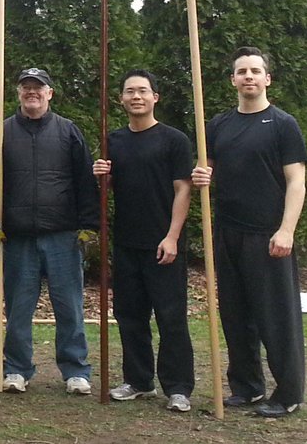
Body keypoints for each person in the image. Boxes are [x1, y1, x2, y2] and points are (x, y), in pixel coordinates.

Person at [191, 47, 307, 418]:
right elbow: (206, 170)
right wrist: (201, 176)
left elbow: (296, 182)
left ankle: (288, 394)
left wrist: (286, 230)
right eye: (242, 71)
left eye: (255, 71)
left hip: (268, 235)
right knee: (236, 316)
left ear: (267, 78)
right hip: (228, 232)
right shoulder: (218, 125)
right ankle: (247, 388)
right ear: (233, 80)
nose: (248, 77)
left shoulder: (283, 124)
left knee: (276, 318)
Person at [0, 67, 99, 396]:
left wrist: (89, 225)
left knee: (69, 306)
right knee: (18, 308)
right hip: (18, 237)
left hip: (62, 236)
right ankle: (16, 369)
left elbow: (84, 181)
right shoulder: (2, 133)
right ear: (18, 93)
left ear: (50, 93)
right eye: (26, 87)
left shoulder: (68, 131)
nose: (32, 92)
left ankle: (75, 370)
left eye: (38, 87)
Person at [92, 70, 195, 412]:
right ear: (121, 99)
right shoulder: (114, 141)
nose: (136, 97)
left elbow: (183, 189)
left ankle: (178, 387)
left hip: (164, 243)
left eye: (143, 91)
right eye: (129, 92)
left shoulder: (174, 140)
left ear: (155, 97)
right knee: (129, 315)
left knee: (171, 316)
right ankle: (138, 380)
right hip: (127, 242)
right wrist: (101, 177)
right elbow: (108, 190)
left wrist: (172, 236)